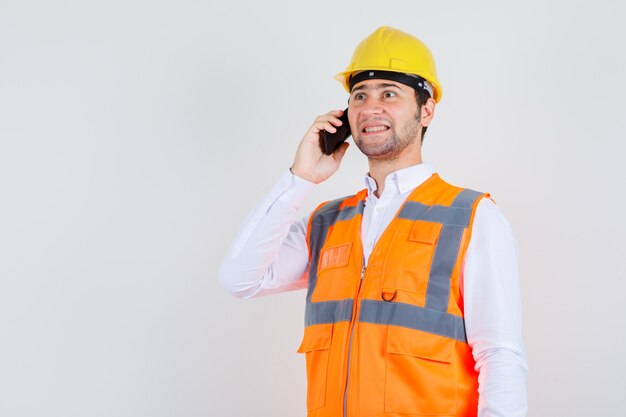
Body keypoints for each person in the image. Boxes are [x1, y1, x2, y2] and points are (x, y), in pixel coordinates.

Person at [219, 26, 528, 417]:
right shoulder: (326, 222)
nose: (370, 107)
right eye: (359, 96)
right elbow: (239, 279)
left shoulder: (472, 217)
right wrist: (300, 179)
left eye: (389, 94)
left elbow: (501, 356)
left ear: (426, 109)